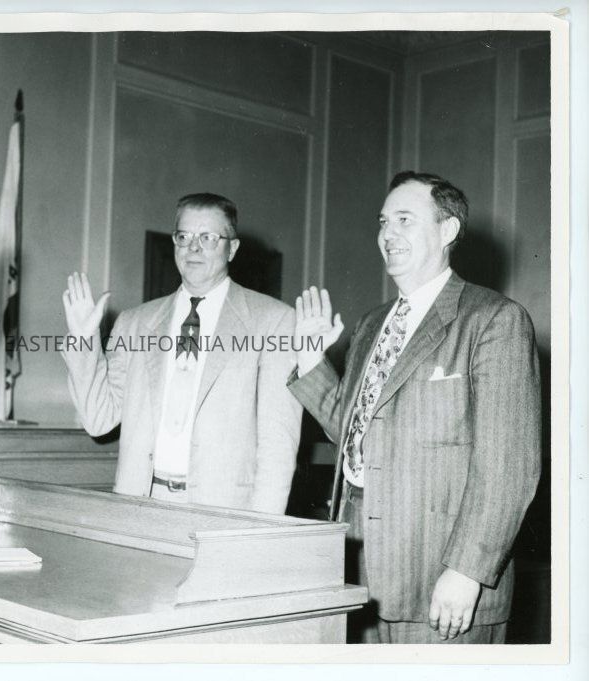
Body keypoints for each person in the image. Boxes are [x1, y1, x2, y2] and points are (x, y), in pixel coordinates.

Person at [287, 171, 541, 644]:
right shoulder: (371, 325)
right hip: (358, 568)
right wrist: (309, 358)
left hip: (439, 578)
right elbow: (355, 434)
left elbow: (508, 466)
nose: (388, 233)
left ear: (448, 230)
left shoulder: (493, 319)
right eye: (383, 222)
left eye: (405, 220)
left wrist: (467, 571)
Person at [61, 193, 301, 514]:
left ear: (232, 249)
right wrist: (83, 340)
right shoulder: (134, 323)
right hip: (140, 506)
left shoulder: (273, 321)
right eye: (184, 237)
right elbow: (98, 420)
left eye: (208, 238)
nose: (193, 248)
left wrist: (259, 529)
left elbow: (278, 447)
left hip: (225, 512)